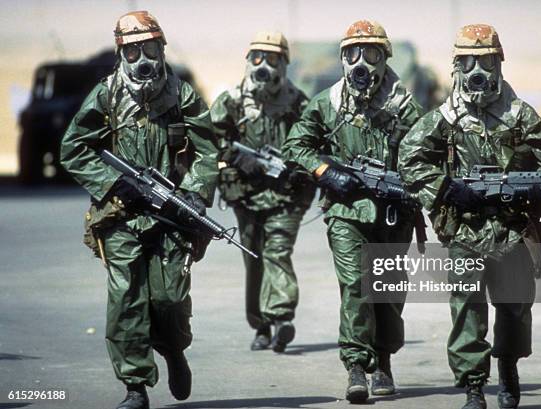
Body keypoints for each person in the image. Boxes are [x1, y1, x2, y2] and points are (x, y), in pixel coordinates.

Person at [60, 11, 219, 409]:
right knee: (126, 299)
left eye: (150, 48)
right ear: (121, 54)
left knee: (169, 299)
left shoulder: (181, 95)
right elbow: (73, 149)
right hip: (119, 215)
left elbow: (207, 150)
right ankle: (135, 386)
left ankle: (174, 351)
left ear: (162, 48)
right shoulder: (107, 95)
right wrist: (114, 184)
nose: (143, 59)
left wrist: (196, 194)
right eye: (133, 51)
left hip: (169, 216)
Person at [398, 24, 541, 409]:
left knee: (515, 308)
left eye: (485, 60)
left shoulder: (520, 115)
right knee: (467, 310)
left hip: (512, 229)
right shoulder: (445, 117)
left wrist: (536, 198)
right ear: (455, 66)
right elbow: (409, 158)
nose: (478, 70)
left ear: (499, 63)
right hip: (465, 232)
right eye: (468, 61)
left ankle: (508, 370)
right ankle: (474, 386)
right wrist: (446, 189)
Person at [282, 20, 424, 403]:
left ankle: (384, 362)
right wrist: (326, 172)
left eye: (372, 53)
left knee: (388, 292)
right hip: (347, 213)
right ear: (343, 59)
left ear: (385, 59)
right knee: (358, 285)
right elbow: (296, 146)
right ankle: (357, 367)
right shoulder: (327, 104)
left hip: (395, 214)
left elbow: (432, 152)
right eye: (352, 54)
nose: (361, 63)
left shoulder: (405, 107)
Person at [210, 31, 315, 353]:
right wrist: (236, 157)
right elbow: (208, 138)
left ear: (283, 63)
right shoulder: (231, 100)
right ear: (247, 60)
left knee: (277, 253)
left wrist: (299, 169)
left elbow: (314, 141)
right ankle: (261, 325)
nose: (263, 65)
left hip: (285, 196)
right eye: (257, 57)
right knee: (253, 259)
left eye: (271, 59)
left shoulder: (298, 102)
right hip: (246, 195)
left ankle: (281, 318)